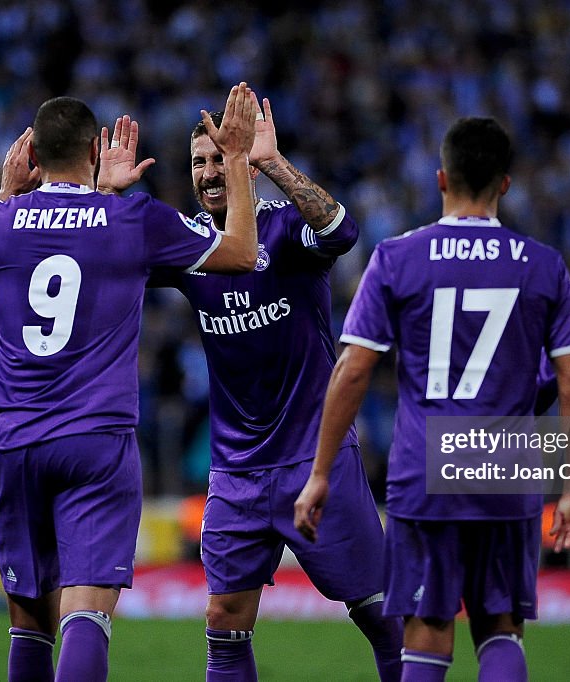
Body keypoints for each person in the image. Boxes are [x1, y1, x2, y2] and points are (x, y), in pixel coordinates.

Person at [0, 85, 259, 682]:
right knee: (85, 615)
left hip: (14, 440)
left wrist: (6, 191)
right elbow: (240, 253)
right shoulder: (131, 218)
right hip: (96, 444)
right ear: (94, 149)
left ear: (31, 153)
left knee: (28, 619)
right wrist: (235, 158)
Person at [294, 117, 570, 681]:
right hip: (508, 469)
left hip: (426, 465)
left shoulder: (398, 257)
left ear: (440, 178)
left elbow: (353, 371)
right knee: (500, 628)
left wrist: (319, 473)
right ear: (506, 184)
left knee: (427, 629)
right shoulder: (543, 264)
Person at [141, 95, 403, 681]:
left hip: (314, 460)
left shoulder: (285, 229)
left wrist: (273, 161)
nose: (209, 174)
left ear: (245, 164)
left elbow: (342, 232)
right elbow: (113, 253)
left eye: (220, 159)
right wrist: (105, 198)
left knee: (384, 617)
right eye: (199, 163)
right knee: (224, 619)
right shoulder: (193, 248)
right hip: (235, 471)